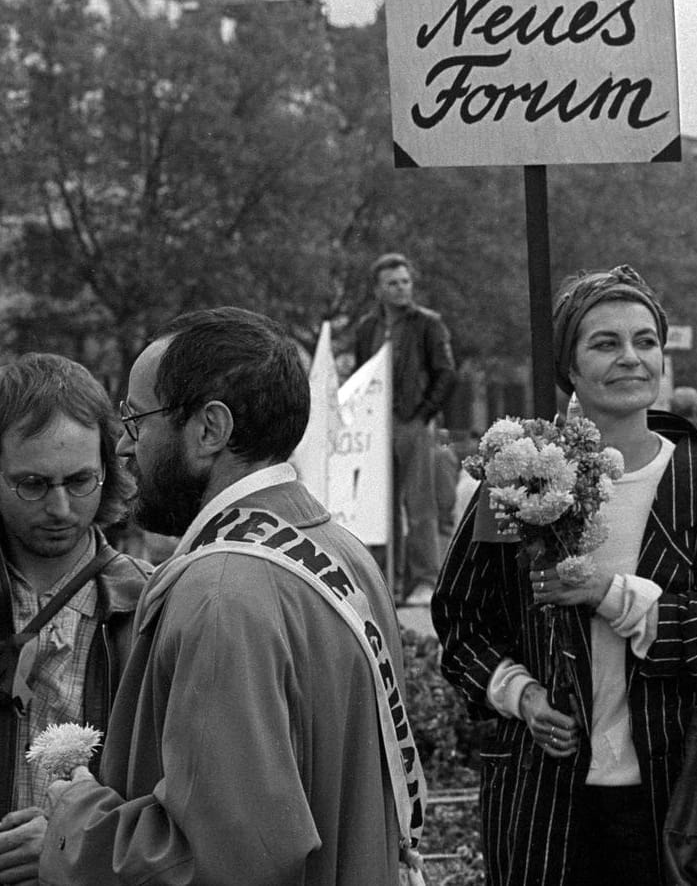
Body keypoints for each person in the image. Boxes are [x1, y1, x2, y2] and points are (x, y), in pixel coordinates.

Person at [42, 307, 421, 885]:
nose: (122, 448)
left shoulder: (219, 592)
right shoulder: (342, 548)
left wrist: (71, 823)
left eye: (136, 420)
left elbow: (221, 859)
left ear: (209, 430)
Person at [433, 266, 697, 886]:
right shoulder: (517, 479)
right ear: (568, 367)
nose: (631, 358)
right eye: (605, 343)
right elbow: (462, 619)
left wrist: (607, 594)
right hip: (543, 800)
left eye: (645, 342)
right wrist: (521, 695)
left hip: (680, 798)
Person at [0, 355, 150, 881]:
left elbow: (176, 802)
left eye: (80, 481)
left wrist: (71, 840)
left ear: (108, 470)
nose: (61, 508)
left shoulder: (150, 603)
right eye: (33, 484)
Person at [352, 252, 458, 605]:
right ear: (378, 290)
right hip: (376, 425)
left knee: (420, 505)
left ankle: (425, 580)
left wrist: (425, 414)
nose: (401, 289)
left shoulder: (428, 324)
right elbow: (359, 374)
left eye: (405, 281)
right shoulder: (366, 328)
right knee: (379, 506)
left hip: (414, 422)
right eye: (392, 283)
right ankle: (384, 581)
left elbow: (446, 372)